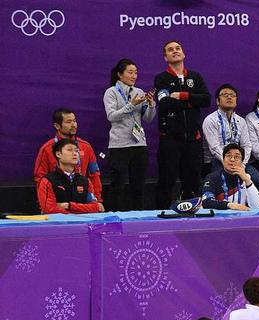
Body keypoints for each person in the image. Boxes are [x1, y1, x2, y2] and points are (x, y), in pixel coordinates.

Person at [154, 40, 211, 209]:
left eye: (178, 48)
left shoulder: (195, 76)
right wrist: (193, 101)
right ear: (166, 57)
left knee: (192, 181)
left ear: (183, 53)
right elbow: (164, 103)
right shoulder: (161, 78)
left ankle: (191, 214)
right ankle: (161, 216)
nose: (175, 51)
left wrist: (184, 96)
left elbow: (206, 99)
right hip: (170, 139)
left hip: (193, 139)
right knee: (167, 180)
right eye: (170, 50)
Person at [103, 58, 157, 211]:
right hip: (119, 145)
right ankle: (115, 218)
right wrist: (131, 105)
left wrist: (151, 105)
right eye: (130, 72)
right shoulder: (111, 92)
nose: (134, 76)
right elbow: (112, 116)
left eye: (136, 73)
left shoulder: (139, 92)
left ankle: (138, 217)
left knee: (138, 186)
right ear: (120, 75)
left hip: (139, 144)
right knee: (117, 185)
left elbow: (147, 118)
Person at [202, 84, 259, 192]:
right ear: (217, 101)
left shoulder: (241, 121)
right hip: (217, 160)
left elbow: (247, 145)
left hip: (239, 160)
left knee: (258, 181)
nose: (229, 97)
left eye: (232, 95)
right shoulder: (210, 120)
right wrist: (228, 162)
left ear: (236, 100)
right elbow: (214, 147)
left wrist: (242, 163)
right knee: (221, 183)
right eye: (225, 95)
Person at [34, 108, 103, 204]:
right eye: (68, 122)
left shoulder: (86, 147)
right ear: (57, 126)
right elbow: (40, 179)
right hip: (58, 201)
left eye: (74, 121)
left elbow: (94, 175)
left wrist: (98, 200)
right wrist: (44, 203)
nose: (74, 125)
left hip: (82, 199)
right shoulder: (47, 149)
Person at [37, 138, 105, 214]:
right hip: (58, 225)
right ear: (58, 154)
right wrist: (80, 212)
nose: (75, 153)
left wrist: (69, 206)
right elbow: (49, 210)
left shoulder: (85, 181)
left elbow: (95, 207)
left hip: (82, 225)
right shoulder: (47, 181)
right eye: (69, 150)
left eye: (76, 151)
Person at [201, 143, 259, 210]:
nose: (232, 159)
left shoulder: (246, 178)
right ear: (223, 160)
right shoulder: (212, 178)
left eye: (236, 157)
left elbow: (257, 206)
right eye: (229, 156)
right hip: (220, 218)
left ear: (242, 162)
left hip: (241, 217)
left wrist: (247, 181)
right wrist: (228, 205)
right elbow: (206, 202)